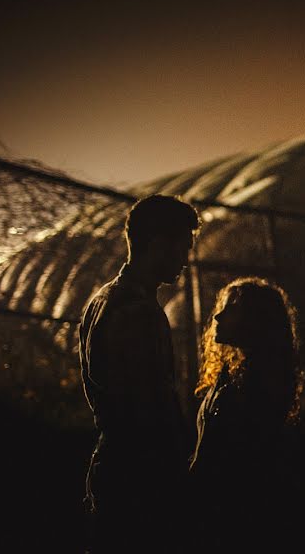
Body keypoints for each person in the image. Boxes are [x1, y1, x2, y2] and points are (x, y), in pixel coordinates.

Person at [78, 193, 200, 553]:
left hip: (114, 466)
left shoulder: (103, 299)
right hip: (142, 479)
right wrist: (176, 476)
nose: (186, 259)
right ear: (159, 245)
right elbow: (150, 409)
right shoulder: (139, 313)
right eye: (183, 247)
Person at [188, 276, 305, 547]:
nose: (217, 315)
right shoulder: (231, 376)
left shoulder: (260, 382)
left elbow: (240, 460)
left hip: (236, 518)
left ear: (255, 320)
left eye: (231, 309)